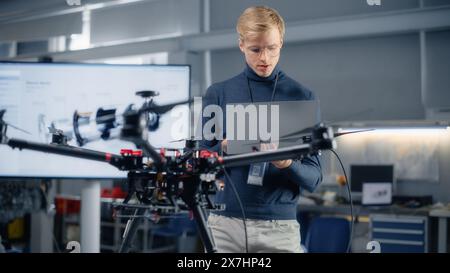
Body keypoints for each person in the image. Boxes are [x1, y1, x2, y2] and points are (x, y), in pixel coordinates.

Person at [200, 6, 323, 253]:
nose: (264, 58)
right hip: (225, 227)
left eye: (272, 48)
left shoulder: (301, 97)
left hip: (279, 229)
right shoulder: (219, 93)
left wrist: (287, 163)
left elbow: (314, 179)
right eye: (255, 49)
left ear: (282, 43)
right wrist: (224, 146)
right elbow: (196, 161)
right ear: (241, 45)